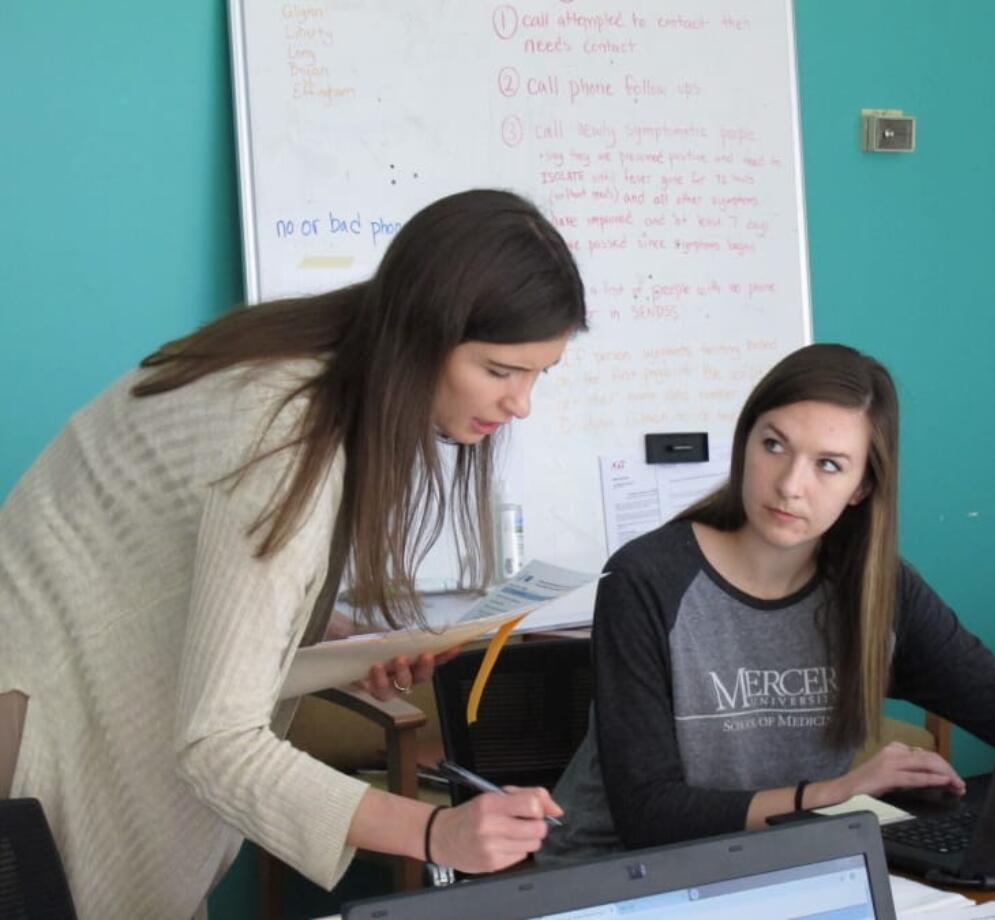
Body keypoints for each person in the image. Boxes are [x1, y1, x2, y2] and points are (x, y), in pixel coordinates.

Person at [0, 189, 579, 917]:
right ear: (421, 335)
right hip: (38, 719)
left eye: (539, 374)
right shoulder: (282, 432)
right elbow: (220, 742)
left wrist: (338, 638)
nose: (520, 403)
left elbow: (210, 579)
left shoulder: (316, 362)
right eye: (500, 371)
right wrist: (437, 830)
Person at [540, 343, 995, 863]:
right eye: (774, 445)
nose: (791, 485)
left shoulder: (879, 588)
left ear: (862, 487)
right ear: (745, 442)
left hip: (787, 863)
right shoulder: (646, 579)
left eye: (829, 465)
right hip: (621, 876)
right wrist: (836, 793)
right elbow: (650, 817)